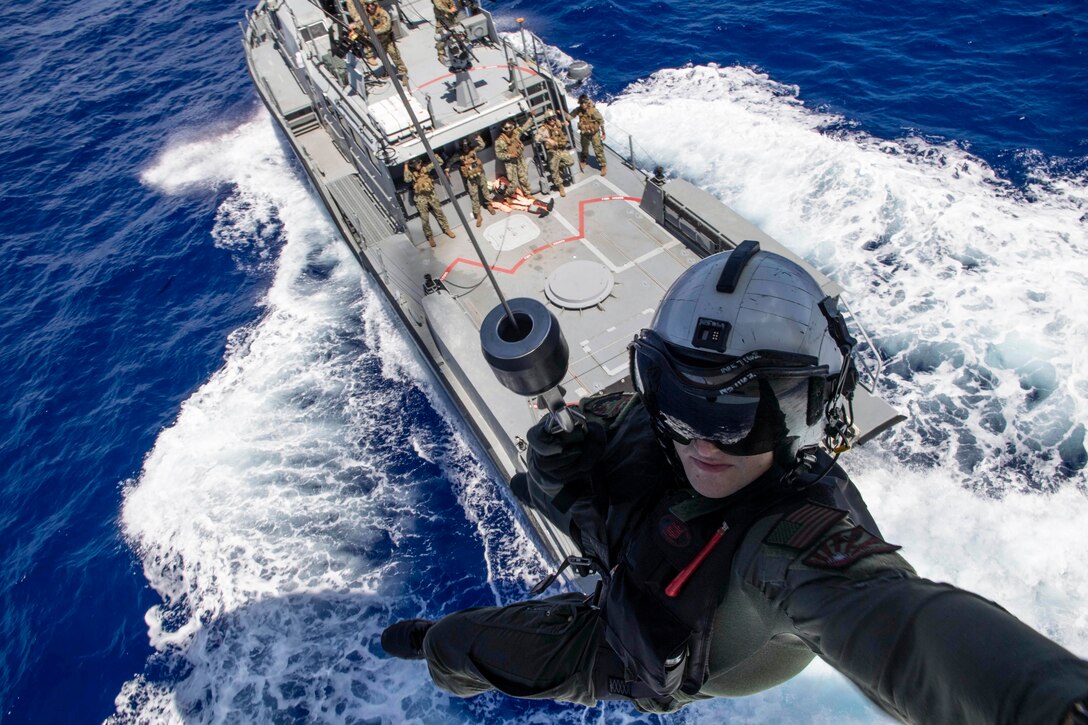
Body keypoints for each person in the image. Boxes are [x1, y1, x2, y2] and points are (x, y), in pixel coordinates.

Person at [381, 243, 1088, 722]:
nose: (699, 439)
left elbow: (903, 625)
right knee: (539, 468)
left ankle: (424, 642)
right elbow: (622, 429)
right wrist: (558, 443)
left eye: (737, 418)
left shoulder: (789, 540)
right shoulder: (656, 421)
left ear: (806, 415)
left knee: (455, 643)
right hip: (638, 549)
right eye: (676, 398)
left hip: (661, 646)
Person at [350, 1, 408, 83]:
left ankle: (403, 73)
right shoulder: (367, 15)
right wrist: (355, 26)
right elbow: (362, 24)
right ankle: (388, 71)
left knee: (395, 56)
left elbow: (386, 27)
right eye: (368, 5)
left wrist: (372, 32)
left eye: (372, 4)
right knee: (383, 58)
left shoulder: (382, 13)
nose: (370, 7)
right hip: (378, 42)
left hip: (388, 40)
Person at [403, 155, 455, 247]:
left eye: (418, 163)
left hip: (431, 194)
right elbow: (407, 180)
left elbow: (440, 162)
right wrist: (406, 166)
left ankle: (446, 229)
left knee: (439, 212)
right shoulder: (411, 173)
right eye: (415, 164)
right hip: (420, 197)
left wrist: (433, 154)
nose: (417, 165)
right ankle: (430, 237)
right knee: (425, 218)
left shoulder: (425, 167)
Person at [444, 135, 494, 228]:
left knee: (485, 190)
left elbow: (482, 145)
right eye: (463, 146)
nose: (465, 148)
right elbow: (451, 161)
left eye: (466, 146)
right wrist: (447, 169)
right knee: (474, 195)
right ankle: (478, 215)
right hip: (470, 178)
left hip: (479, 175)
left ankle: (489, 205)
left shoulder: (473, 150)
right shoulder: (459, 155)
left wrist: (478, 137)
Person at [536, 110, 574, 198]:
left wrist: (565, 124)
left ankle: (559, 166)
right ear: (546, 120)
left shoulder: (557, 123)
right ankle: (560, 186)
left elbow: (562, 125)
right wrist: (547, 140)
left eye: (553, 118)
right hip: (552, 152)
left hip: (561, 149)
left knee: (570, 162)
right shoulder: (543, 129)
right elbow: (537, 138)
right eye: (549, 119)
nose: (552, 120)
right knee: (554, 170)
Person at [494, 117, 535, 195]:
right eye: (506, 128)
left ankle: (528, 194)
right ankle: (506, 195)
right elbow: (499, 155)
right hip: (510, 163)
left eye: (510, 127)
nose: (509, 130)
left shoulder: (516, 133)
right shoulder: (499, 141)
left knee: (524, 178)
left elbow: (524, 127)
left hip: (519, 159)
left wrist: (530, 117)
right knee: (513, 183)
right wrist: (510, 155)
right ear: (503, 129)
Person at [569, 93, 606, 176]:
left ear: (587, 103)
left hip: (594, 133)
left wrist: (603, 133)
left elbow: (601, 121)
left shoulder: (593, 111)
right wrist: (561, 113)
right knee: (584, 148)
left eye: (584, 103)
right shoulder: (578, 110)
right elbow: (570, 116)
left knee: (598, 148)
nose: (583, 105)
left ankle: (603, 165)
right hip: (585, 133)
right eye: (581, 103)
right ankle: (584, 160)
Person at [489, 176, 553, 217]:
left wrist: (520, 194)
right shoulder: (494, 196)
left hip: (513, 195)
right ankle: (542, 211)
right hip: (509, 201)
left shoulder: (501, 181)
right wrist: (505, 204)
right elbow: (505, 208)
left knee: (529, 201)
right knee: (525, 206)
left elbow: (511, 186)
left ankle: (547, 205)